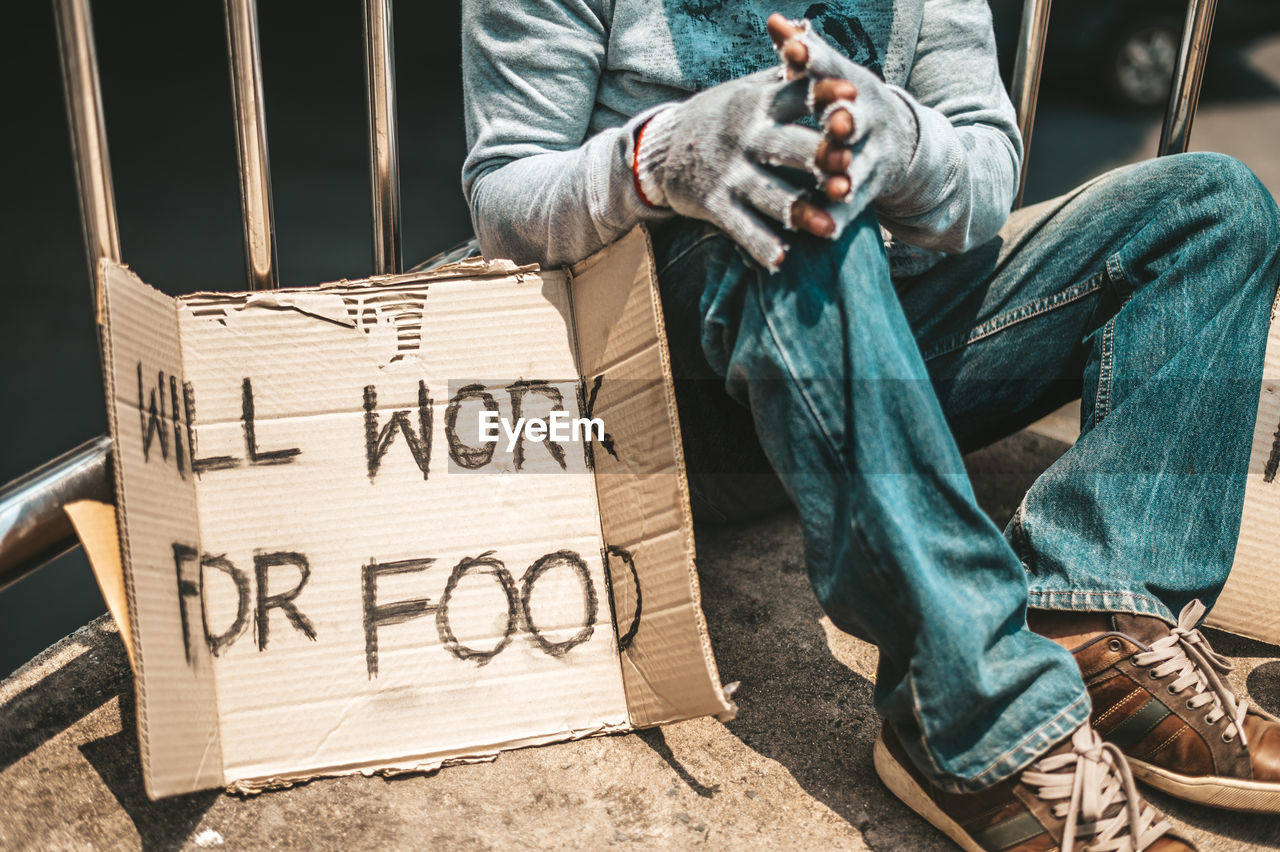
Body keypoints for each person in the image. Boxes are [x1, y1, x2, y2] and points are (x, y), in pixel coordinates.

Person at [460, 1, 1280, 848]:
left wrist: (904, 139)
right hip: (672, 397)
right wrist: (659, 156)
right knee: (791, 208)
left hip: (878, 350)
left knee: (1211, 204)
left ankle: (1093, 622)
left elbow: (987, 171)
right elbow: (503, 198)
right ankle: (976, 719)